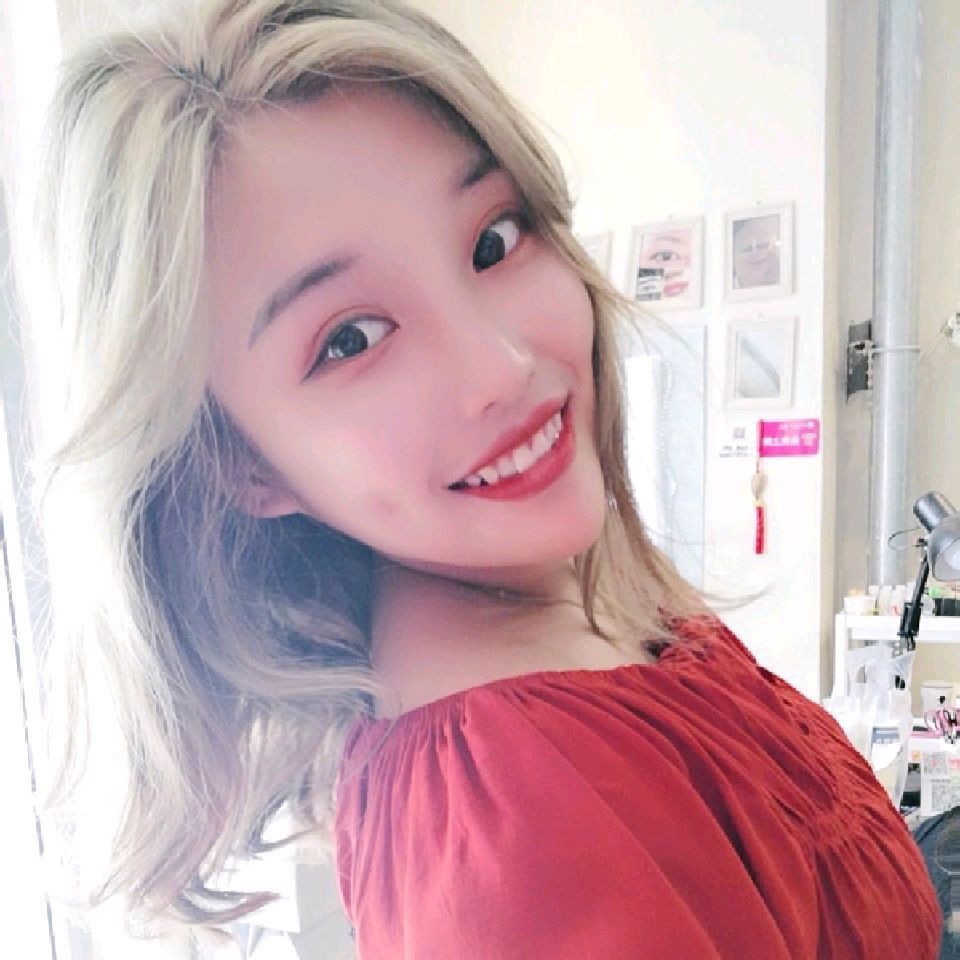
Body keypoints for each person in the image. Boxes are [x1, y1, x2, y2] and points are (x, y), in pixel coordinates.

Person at [26, 0, 942, 957]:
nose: (502, 365)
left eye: (494, 241)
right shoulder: (529, 818)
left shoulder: (594, 615)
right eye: (351, 339)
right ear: (241, 463)